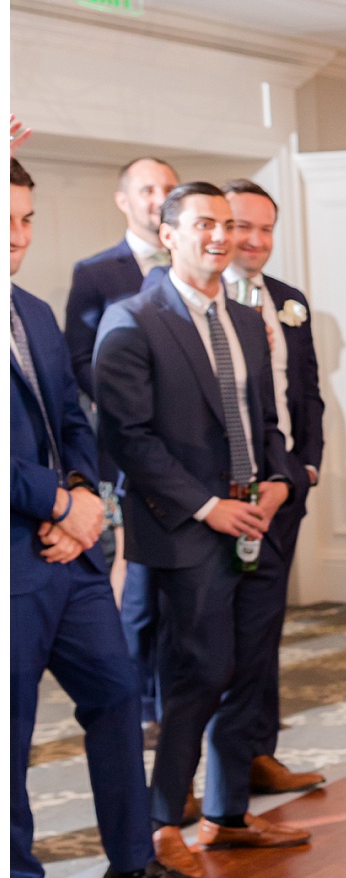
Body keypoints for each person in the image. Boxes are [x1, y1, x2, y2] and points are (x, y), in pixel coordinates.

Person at [10, 159, 211, 878]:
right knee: (12, 729)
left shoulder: (28, 309)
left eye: (29, 219)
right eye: (10, 219)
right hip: (14, 562)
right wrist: (59, 502)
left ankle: (130, 860)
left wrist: (86, 497)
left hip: (73, 555)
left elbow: (71, 416)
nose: (21, 237)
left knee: (118, 697)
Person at [94, 183, 310, 877]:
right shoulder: (131, 320)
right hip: (188, 531)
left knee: (250, 670)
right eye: (203, 224)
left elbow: (266, 423)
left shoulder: (247, 321)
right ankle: (164, 824)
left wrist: (281, 480)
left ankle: (228, 814)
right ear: (167, 234)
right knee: (198, 674)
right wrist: (206, 507)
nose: (220, 236)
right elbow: (129, 439)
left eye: (227, 224)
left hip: (259, 522)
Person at [65, 155, 179, 722]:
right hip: (121, 449)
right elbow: (79, 360)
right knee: (128, 577)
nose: (159, 197)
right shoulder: (96, 272)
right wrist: (136, 399)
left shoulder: (194, 264)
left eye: (168, 188)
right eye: (148, 188)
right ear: (124, 199)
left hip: (187, 453)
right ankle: (132, 700)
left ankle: (173, 695)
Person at [223, 179, 327, 796]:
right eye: (241, 227)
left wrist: (305, 468)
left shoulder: (289, 300)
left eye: (265, 229)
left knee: (265, 629)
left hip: (287, 487)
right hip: (225, 497)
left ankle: (259, 752)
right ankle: (196, 771)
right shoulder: (199, 306)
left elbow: (306, 391)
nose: (255, 241)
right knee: (208, 638)